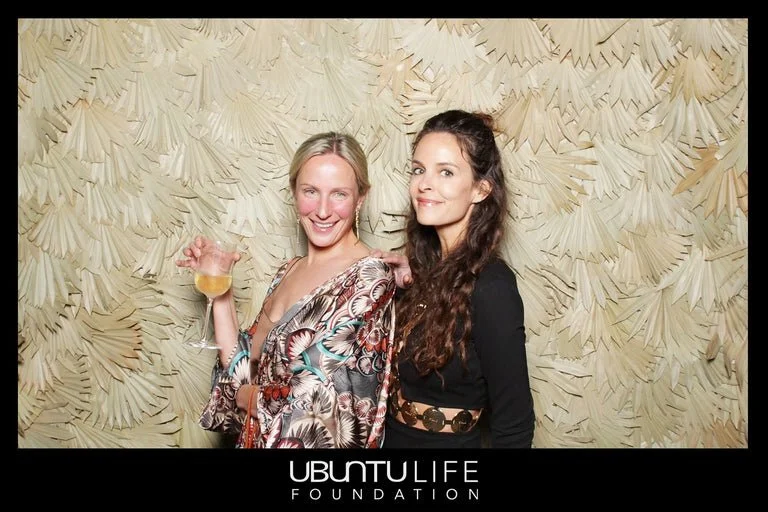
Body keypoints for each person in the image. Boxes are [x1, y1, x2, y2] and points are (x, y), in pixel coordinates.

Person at [176, 132, 397, 448]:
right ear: (293, 192)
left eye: (339, 194)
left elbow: (321, 396)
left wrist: (247, 398)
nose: (322, 210)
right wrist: (221, 294)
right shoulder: (288, 271)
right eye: (310, 191)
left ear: (361, 198)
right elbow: (245, 370)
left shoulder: (370, 276)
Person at [376, 110, 535, 448]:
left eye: (445, 172)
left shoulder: (492, 286)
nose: (424, 183)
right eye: (418, 169)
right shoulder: (421, 272)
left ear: (480, 189)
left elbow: (514, 425)